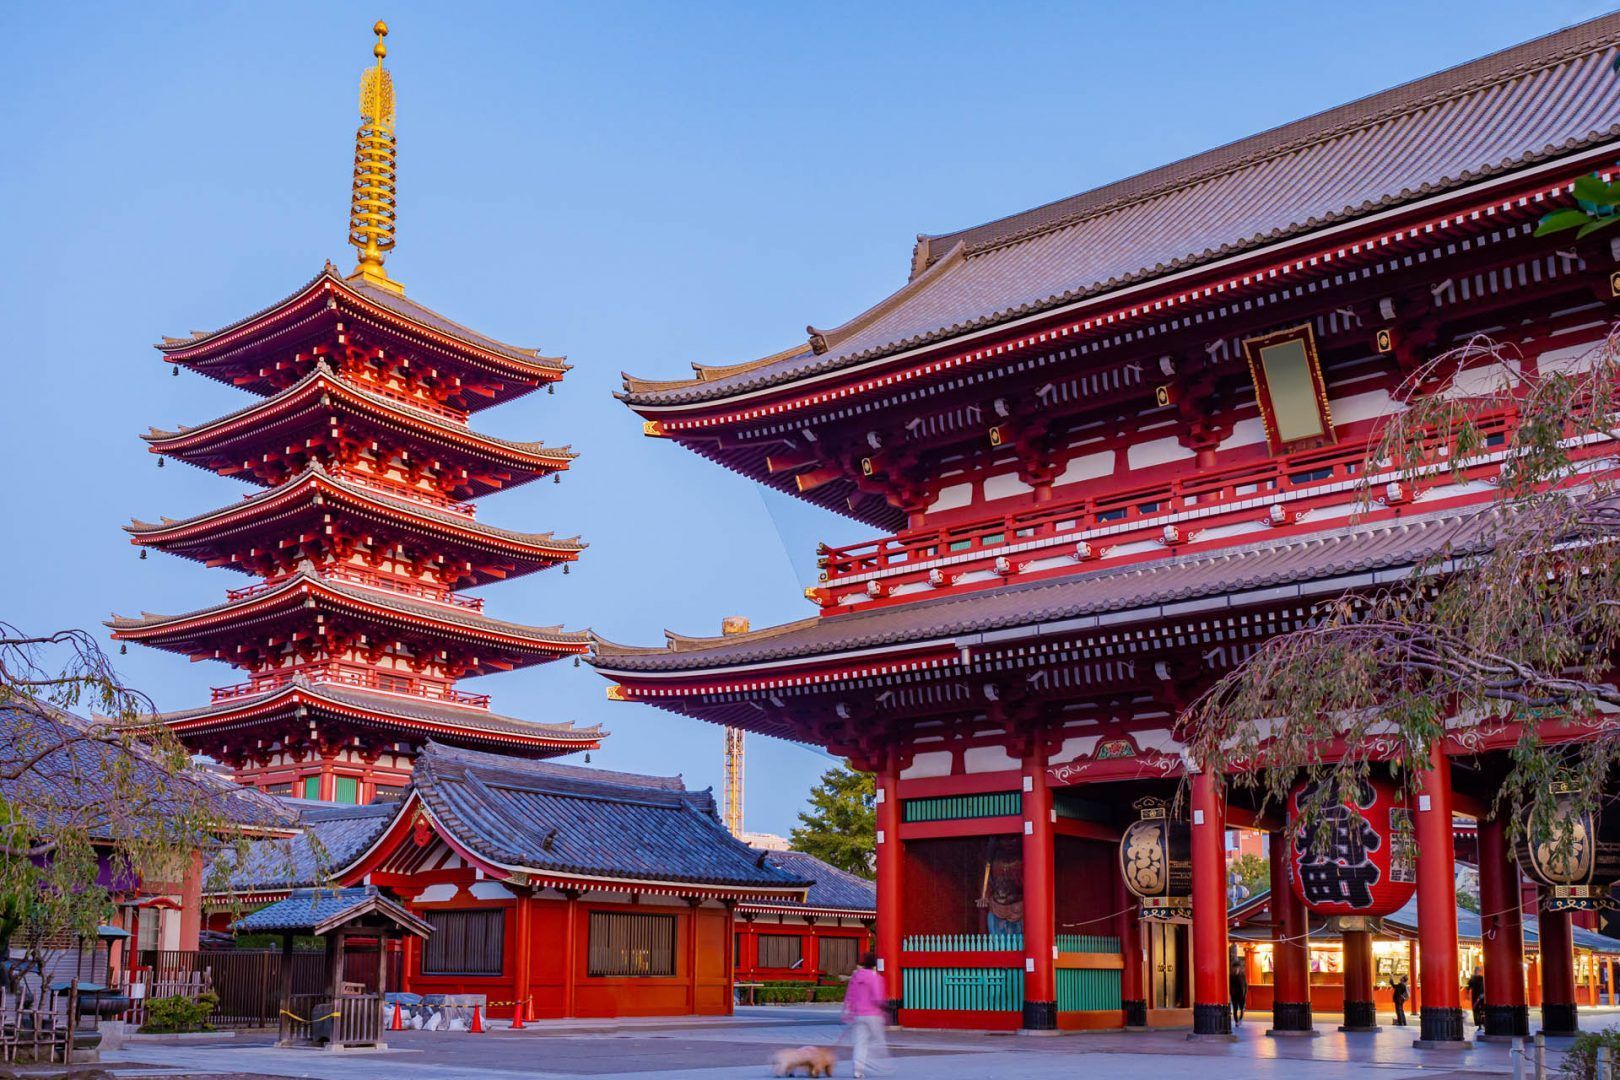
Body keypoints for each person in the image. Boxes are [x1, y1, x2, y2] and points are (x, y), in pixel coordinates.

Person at [843, 952, 893, 1078]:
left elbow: (850, 996)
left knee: (860, 1044)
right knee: (878, 1040)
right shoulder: (875, 977)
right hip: (873, 1015)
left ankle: (858, 1071)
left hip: (858, 1015)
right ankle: (882, 1066)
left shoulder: (856, 977)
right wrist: (885, 1009)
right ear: (874, 964)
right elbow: (877, 997)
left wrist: (848, 1012)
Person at [1229, 959, 1248, 1024]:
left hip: (1241, 995)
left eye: (1237, 967)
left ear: (1239, 968)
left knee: (1242, 1008)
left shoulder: (1242, 975)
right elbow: (1229, 985)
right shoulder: (1231, 976)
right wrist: (1231, 992)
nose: (1236, 969)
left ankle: (1240, 1018)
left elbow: (1245, 984)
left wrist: (1245, 993)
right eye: (1235, 968)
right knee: (1235, 1008)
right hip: (1234, 995)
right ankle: (1236, 1021)